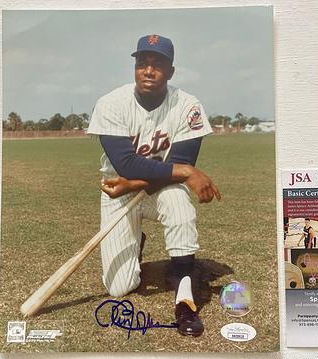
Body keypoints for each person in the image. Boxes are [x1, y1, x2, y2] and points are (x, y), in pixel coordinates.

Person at [87, 34, 221, 337]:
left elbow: (177, 166)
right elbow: (128, 165)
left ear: (170, 71)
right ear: (135, 68)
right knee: (120, 288)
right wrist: (187, 171)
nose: (149, 70)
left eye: (158, 64)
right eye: (142, 63)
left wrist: (138, 182)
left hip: (157, 189)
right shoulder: (110, 103)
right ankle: (136, 246)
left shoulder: (188, 105)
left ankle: (185, 295)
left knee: (177, 201)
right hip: (116, 192)